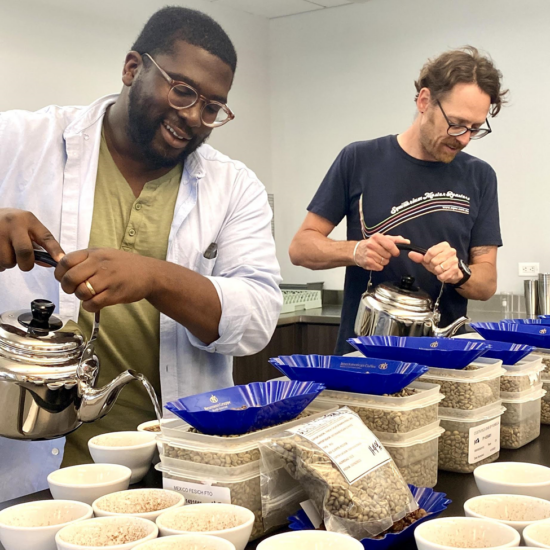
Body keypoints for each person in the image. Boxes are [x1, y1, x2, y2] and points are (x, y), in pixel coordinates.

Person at [0, 7, 282, 501]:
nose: (194, 117)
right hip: (29, 470)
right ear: (133, 69)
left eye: (212, 108)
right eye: (182, 91)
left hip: (170, 474)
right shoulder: (21, 142)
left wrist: (156, 277)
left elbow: (256, 319)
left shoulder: (234, 187)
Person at [290, 46, 506, 355]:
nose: (463, 138)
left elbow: (486, 284)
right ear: (424, 101)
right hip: (364, 355)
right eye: (456, 123)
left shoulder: (480, 177)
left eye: (474, 128)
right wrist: (355, 251)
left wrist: (459, 272)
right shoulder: (359, 159)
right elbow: (301, 247)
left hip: (442, 360)